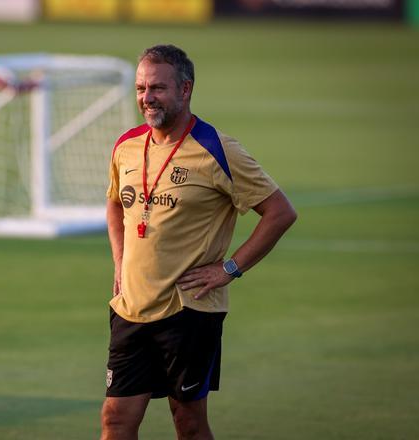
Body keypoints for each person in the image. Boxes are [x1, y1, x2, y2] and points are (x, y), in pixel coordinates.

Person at [101, 44, 297, 440]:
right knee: (115, 421)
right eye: (140, 88)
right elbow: (114, 206)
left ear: (185, 89)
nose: (146, 98)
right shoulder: (126, 145)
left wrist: (230, 268)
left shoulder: (218, 150)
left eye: (157, 88)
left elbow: (280, 212)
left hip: (188, 312)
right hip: (130, 309)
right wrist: (120, 265)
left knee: (188, 424)